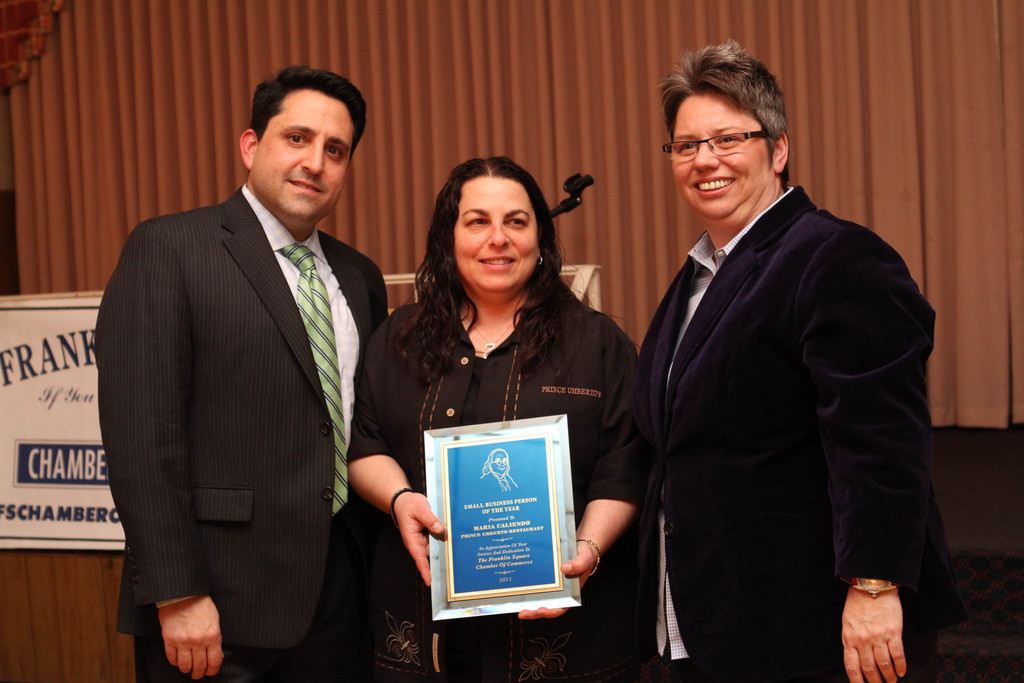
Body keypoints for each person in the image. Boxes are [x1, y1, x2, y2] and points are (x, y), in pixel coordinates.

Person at [632, 41, 968, 683]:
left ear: (778, 149)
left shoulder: (833, 256)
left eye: (728, 139)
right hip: (723, 620)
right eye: (686, 145)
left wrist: (874, 584)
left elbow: (881, 437)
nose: (705, 160)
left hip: (817, 627)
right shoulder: (700, 277)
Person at [96, 66, 387, 682]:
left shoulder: (359, 277)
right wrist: (176, 592)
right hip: (215, 608)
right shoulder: (169, 248)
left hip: (342, 599)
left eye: (335, 150)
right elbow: (141, 436)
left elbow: (361, 424)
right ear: (251, 146)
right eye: (298, 138)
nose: (315, 161)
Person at [347, 156, 651, 682]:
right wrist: (400, 500)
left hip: (565, 641)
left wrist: (588, 549)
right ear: (449, 236)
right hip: (421, 637)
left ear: (540, 237)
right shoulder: (397, 338)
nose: (498, 239)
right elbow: (363, 443)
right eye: (478, 221)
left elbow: (627, 463)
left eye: (516, 221)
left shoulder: (597, 343)